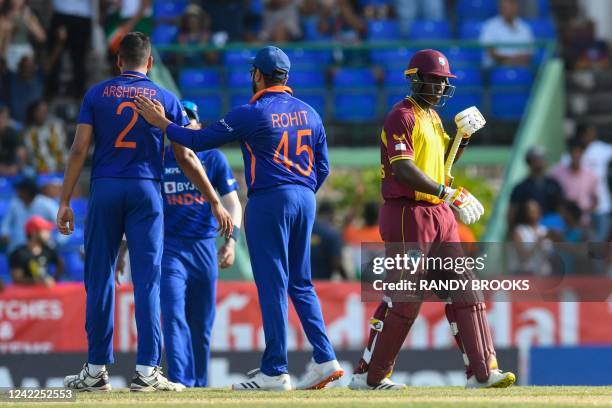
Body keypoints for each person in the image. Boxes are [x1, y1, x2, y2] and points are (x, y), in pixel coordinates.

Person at [134, 45, 343, 391]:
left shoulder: (253, 112)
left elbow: (198, 140)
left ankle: (275, 370)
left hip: (269, 201)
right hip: (306, 199)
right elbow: (323, 168)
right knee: (301, 283)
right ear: (286, 77)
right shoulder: (311, 113)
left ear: (258, 75)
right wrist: (300, 193)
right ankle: (326, 358)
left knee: (273, 285)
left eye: (252, 74)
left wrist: (162, 122)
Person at [57, 32, 232, 392]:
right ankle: (147, 371)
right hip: (145, 190)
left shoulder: (96, 94)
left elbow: (78, 150)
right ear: (149, 63)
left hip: (104, 187)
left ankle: (94, 371)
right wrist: (213, 199)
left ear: (119, 61)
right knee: (148, 281)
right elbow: (185, 154)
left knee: (99, 278)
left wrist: (65, 199)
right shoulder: (165, 97)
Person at [347, 49, 515, 389]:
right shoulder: (402, 116)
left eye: (444, 82)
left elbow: (441, 165)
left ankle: (482, 374)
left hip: (438, 213)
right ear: (415, 79)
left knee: (465, 288)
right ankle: (370, 376)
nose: (439, 87)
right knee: (407, 298)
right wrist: (447, 193)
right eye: (434, 80)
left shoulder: (434, 118)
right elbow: (404, 169)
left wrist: (462, 141)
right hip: (408, 213)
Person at [158, 99, 242, 387]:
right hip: (169, 247)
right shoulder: (159, 158)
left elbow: (233, 203)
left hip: (204, 246)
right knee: (172, 317)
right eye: (179, 121)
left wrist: (231, 241)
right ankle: (180, 382)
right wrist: (123, 249)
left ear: (199, 126)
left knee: (202, 326)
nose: (183, 126)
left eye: (189, 120)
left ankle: (200, 385)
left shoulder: (214, 159)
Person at [509, 146, 564, 231]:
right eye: (535, 159)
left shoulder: (554, 185)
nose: (539, 162)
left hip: (551, 230)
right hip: (528, 231)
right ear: (529, 162)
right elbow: (512, 212)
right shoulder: (520, 188)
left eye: (542, 159)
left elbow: (561, 208)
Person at [1, 176, 58, 253]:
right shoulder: (15, 203)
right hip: (18, 247)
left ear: (28, 191)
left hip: (41, 248)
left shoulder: (47, 204)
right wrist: (4, 233)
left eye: (20, 190)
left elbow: (61, 223)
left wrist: (56, 240)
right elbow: (5, 223)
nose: (18, 192)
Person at [550, 138, 598, 224]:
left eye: (578, 152)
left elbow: (595, 198)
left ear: (583, 153)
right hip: (563, 220)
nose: (576, 155)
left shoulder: (591, 175)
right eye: (573, 152)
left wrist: (586, 210)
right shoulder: (556, 173)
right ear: (569, 153)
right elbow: (552, 196)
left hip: (583, 221)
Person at [9, 215, 63, 286]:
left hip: (46, 295)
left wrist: (54, 279)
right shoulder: (19, 253)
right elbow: (17, 280)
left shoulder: (48, 249)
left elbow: (60, 264)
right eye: (45, 230)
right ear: (34, 232)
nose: (48, 234)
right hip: (25, 296)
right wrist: (38, 282)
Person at [479, 0, 534, 67]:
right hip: (496, 68)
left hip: (521, 67)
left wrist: (514, 61)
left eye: (510, 5)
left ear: (516, 7)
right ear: (500, 8)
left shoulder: (524, 27)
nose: (508, 9)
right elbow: (490, 52)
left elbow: (529, 52)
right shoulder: (490, 26)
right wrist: (510, 60)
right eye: (504, 6)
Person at [23, 100, 68, 173]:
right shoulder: (28, 132)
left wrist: (63, 166)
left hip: (61, 169)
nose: (45, 115)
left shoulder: (56, 127)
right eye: (41, 112)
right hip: (40, 172)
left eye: (46, 112)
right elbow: (34, 155)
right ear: (34, 113)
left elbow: (61, 149)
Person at [311, 201, 349, 280]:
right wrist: (347, 279)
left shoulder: (303, 228)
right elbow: (336, 262)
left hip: (296, 284)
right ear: (331, 214)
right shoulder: (333, 232)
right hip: (321, 284)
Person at [0, 104, 26, 176]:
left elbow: (22, 154)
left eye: (4, 117)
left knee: (29, 174)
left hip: (11, 168)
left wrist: (17, 168)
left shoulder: (13, 132)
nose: (1, 120)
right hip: (2, 168)